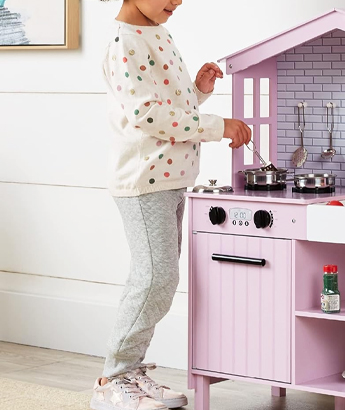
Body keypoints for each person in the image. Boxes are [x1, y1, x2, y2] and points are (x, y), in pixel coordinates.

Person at [92, 0, 251, 409]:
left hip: (172, 180)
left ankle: (129, 372)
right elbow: (146, 114)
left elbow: (169, 109)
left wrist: (197, 91)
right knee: (153, 279)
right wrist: (217, 125)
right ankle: (113, 378)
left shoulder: (157, 34)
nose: (178, 0)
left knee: (160, 279)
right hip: (145, 181)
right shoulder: (123, 42)